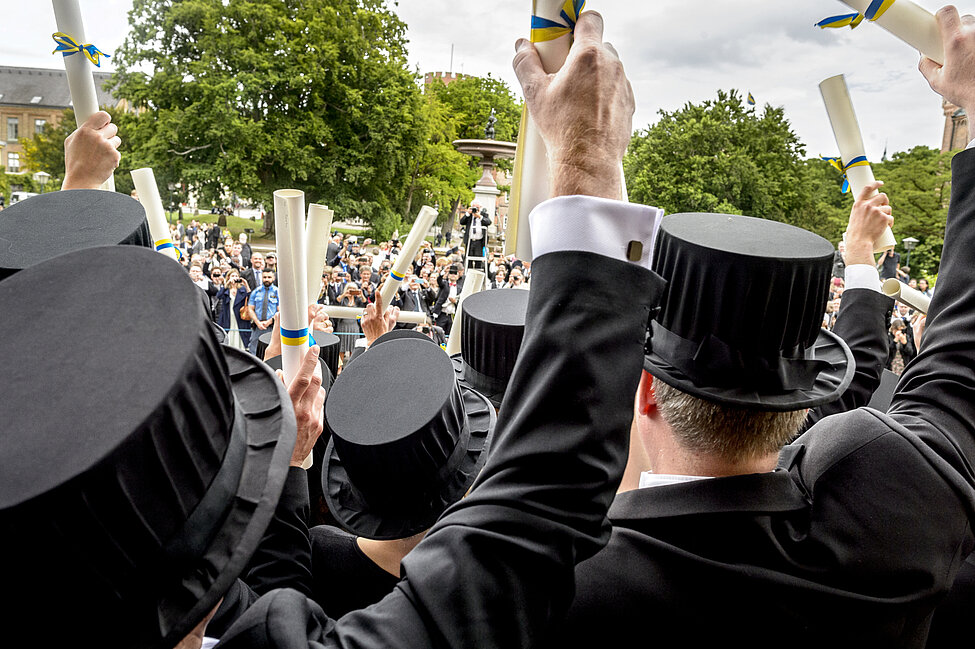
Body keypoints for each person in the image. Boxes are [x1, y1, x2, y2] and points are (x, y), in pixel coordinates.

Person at [511, 6, 975, 646]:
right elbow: (961, 374)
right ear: (804, 398)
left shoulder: (562, 595)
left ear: (645, 389)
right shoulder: (897, 515)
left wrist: (582, 161)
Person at [216, 268, 252, 351]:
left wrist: (246, 285)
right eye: (232, 276)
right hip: (228, 315)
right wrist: (227, 284)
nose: (234, 277)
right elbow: (218, 296)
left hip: (239, 316)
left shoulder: (242, 289)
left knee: (241, 338)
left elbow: (250, 297)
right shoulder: (226, 289)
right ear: (228, 277)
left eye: (236, 276)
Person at [248, 269, 280, 355]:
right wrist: (258, 322)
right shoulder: (256, 292)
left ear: (273, 278)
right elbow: (250, 309)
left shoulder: (278, 292)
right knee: (253, 350)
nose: (266, 279)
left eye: (269, 277)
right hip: (257, 327)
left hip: (271, 327)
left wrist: (269, 322)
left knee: (272, 350)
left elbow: (280, 311)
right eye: (264, 277)